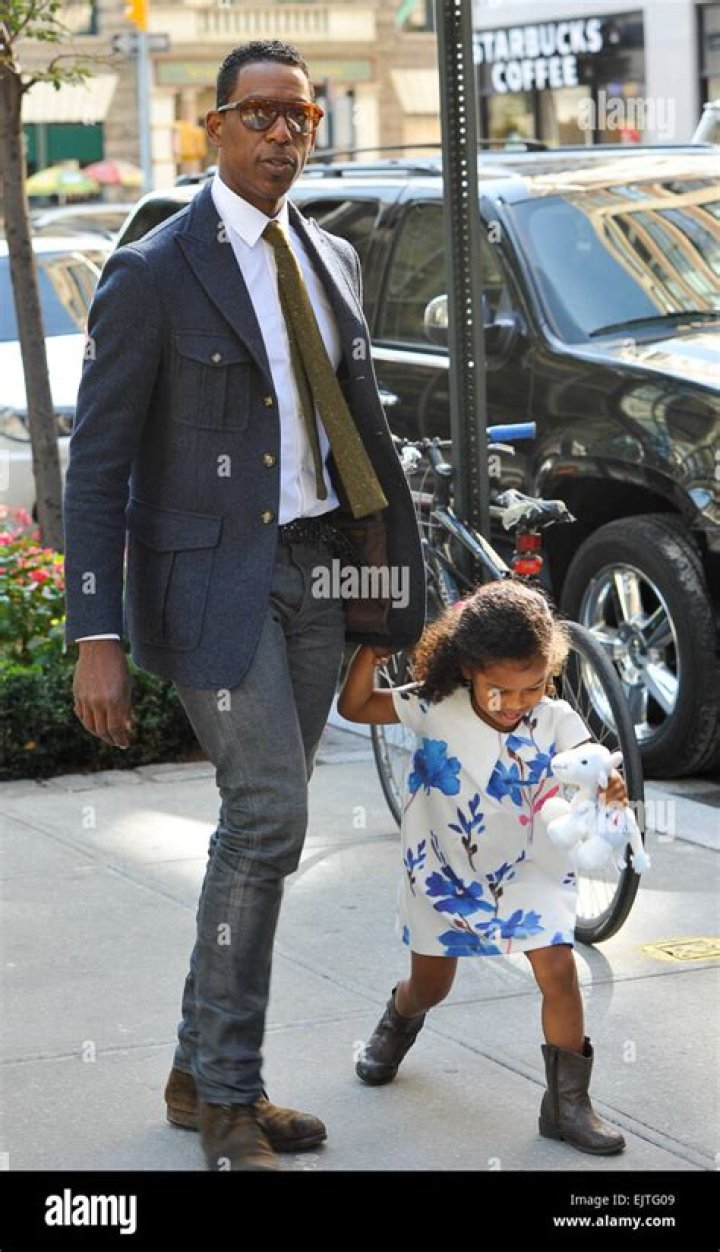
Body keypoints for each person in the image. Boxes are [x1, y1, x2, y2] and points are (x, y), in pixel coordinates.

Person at [63, 39, 424, 1171]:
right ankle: (228, 1098)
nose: (282, 135)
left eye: (301, 118)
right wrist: (95, 632)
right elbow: (97, 462)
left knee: (253, 831)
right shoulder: (157, 269)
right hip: (211, 585)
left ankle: (194, 1069)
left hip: (320, 574)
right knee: (269, 815)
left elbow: (359, 443)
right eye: (260, 115)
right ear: (211, 125)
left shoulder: (330, 259)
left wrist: (384, 615)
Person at [337, 579, 628, 1155]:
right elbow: (355, 706)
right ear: (469, 668)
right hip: (445, 875)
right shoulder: (432, 705)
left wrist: (608, 788)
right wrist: (369, 654)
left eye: (535, 686)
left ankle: (567, 1106)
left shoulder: (556, 719)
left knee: (559, 973)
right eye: (503, 690)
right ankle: (399, 1017)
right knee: (432, 985)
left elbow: (588, 768)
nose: (519, 703)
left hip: (531, 868)